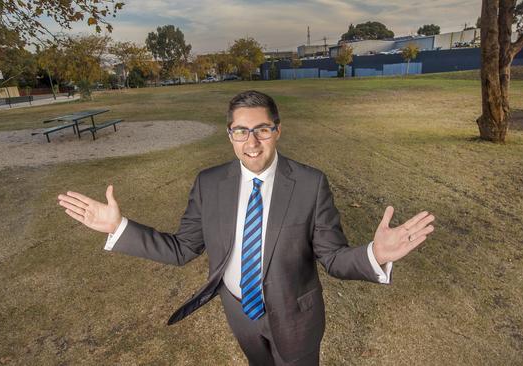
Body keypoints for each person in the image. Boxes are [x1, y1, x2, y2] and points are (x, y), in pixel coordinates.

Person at [57, 90, 435, 365]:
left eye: (262, 130)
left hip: (296, 316)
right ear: (229, 135)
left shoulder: (309, 183)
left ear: (278, 131)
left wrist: (376, 254)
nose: (251, 142)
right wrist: (119, 226)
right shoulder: (209, 183)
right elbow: (181, 248)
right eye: (241, 131)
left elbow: (333, 258)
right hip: (239, 312)